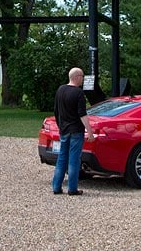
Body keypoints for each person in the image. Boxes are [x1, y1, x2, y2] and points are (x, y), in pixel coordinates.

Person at [52, 67, 93, 196]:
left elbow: (56, 111)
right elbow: (82, 114)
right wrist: (89, 131)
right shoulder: (79, 93)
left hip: (64, 130)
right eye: (81, 76)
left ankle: (56, 187)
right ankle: (72, 188)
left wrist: (61, 126)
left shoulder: (60, 90)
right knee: (74, 160)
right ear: (75, 77)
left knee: (62, 158)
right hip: (76, 131)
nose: (82, 79)